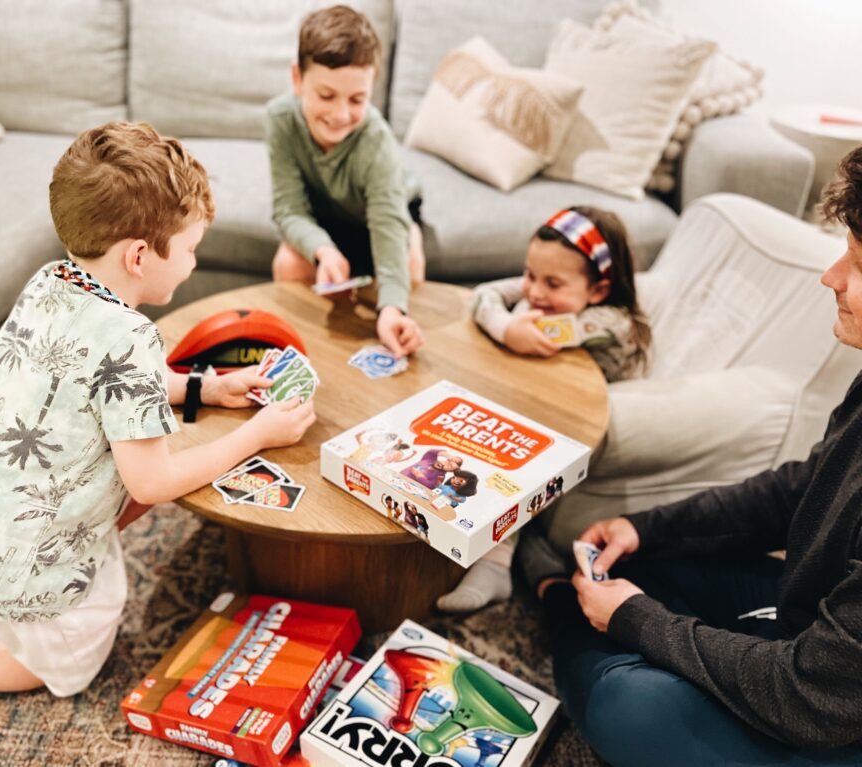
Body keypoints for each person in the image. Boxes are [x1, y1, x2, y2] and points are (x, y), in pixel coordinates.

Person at [0, 121, 316, 720]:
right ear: (140, 256)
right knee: (65, 668)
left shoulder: (51, 281)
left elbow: (98, 379)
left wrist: (205, 387)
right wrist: (258, 434)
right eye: (191, 248)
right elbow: (152, 484)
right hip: (7, 569)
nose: (193, 262)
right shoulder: (132, 336)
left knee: (127, 469)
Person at [518, 147, 862, 765]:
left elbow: (810, 695)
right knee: (632, 566)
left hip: (830, 717)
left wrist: (639, 623)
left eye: (859, 263)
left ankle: (549, 594)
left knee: (631, 704)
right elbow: (801, 489)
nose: (831, 276)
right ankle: (574, 597)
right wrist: (643, 528)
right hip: (817, 631)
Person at [439, 206, 650, 613]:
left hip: (591, 417)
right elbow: (482, 294)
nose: (534, 292)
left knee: (518, 446)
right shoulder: (551, 291)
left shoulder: (611, 322)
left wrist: (511, 327)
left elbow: (530, 329)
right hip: (551, 391)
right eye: (530, 274)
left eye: (552, 282)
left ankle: (497, 562)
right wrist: (509, 323)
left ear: (598, 290)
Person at [266, 4, 425, 358]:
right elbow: (289, 209)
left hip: (385, 212)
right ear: (297, 78)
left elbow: (388, 222)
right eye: (326, 96)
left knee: (410, 260)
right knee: (288, 263)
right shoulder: (279, 119)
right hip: (326, 216)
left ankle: (395, 320)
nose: (340, 115)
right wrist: (324, 251)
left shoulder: (376, 139)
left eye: (357, 100)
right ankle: (309, 353)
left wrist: (392, 309)